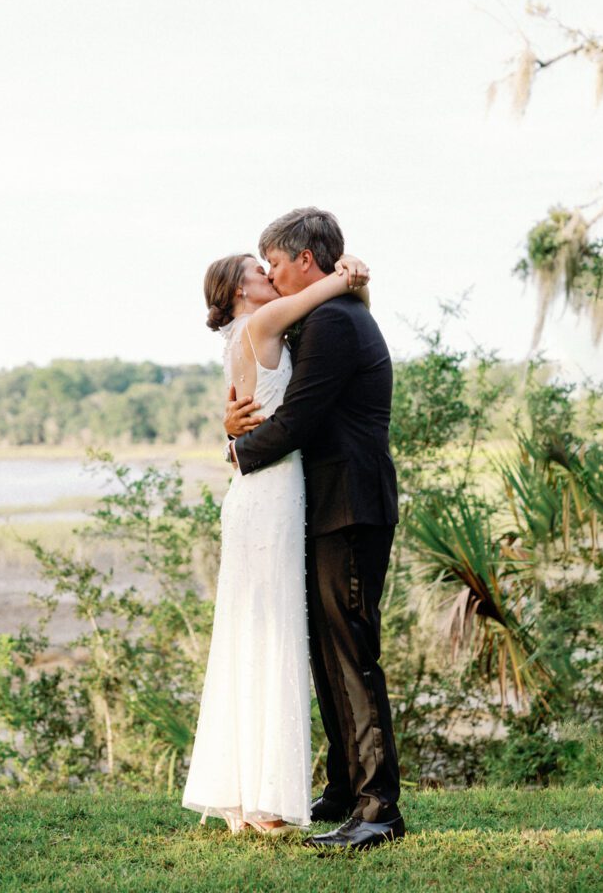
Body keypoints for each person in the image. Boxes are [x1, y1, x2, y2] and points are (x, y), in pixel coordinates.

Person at [224, 207, 404, 851]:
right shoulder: (329, 313)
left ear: (306, 259)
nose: (271, 273)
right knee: (329, 651)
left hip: (350, 506)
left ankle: (378, 807)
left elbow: (298, 420)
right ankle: (344, 785)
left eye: (274, 262)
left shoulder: (332, 320)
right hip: (328, 506)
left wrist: (238, 452)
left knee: (353, 655)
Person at [182, 246, 369, 835]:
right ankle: (263, 801)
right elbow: (320, 292)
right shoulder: (263, 321)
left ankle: (248, 794)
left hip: (263, 491)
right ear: (239, 292)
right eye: (257, 272)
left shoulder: (245, 333)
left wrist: (231, 431)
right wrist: (349, 273)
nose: (269, 276)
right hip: (270, 495)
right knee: (271, 631)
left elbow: (246, 409)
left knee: (254, 631)